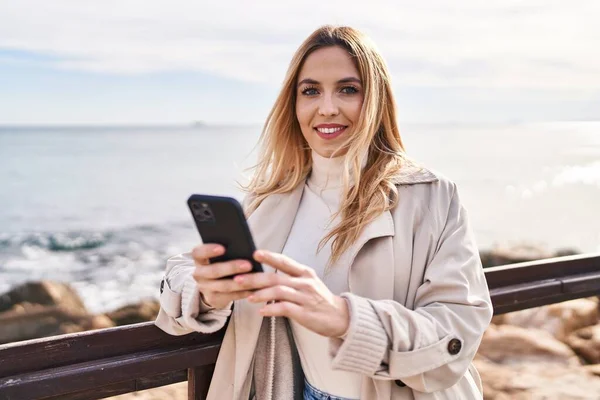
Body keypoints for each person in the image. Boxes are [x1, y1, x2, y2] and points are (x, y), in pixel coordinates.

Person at [155, 25, 493, 400]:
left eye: (348, 89)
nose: (327, 107)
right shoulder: (270, 197)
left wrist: (343, 317)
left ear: (376, 100)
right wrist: (207, 290)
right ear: (293, 103)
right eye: (311, 90)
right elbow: (181, 274)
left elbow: (458, 331)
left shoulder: (432, 197)